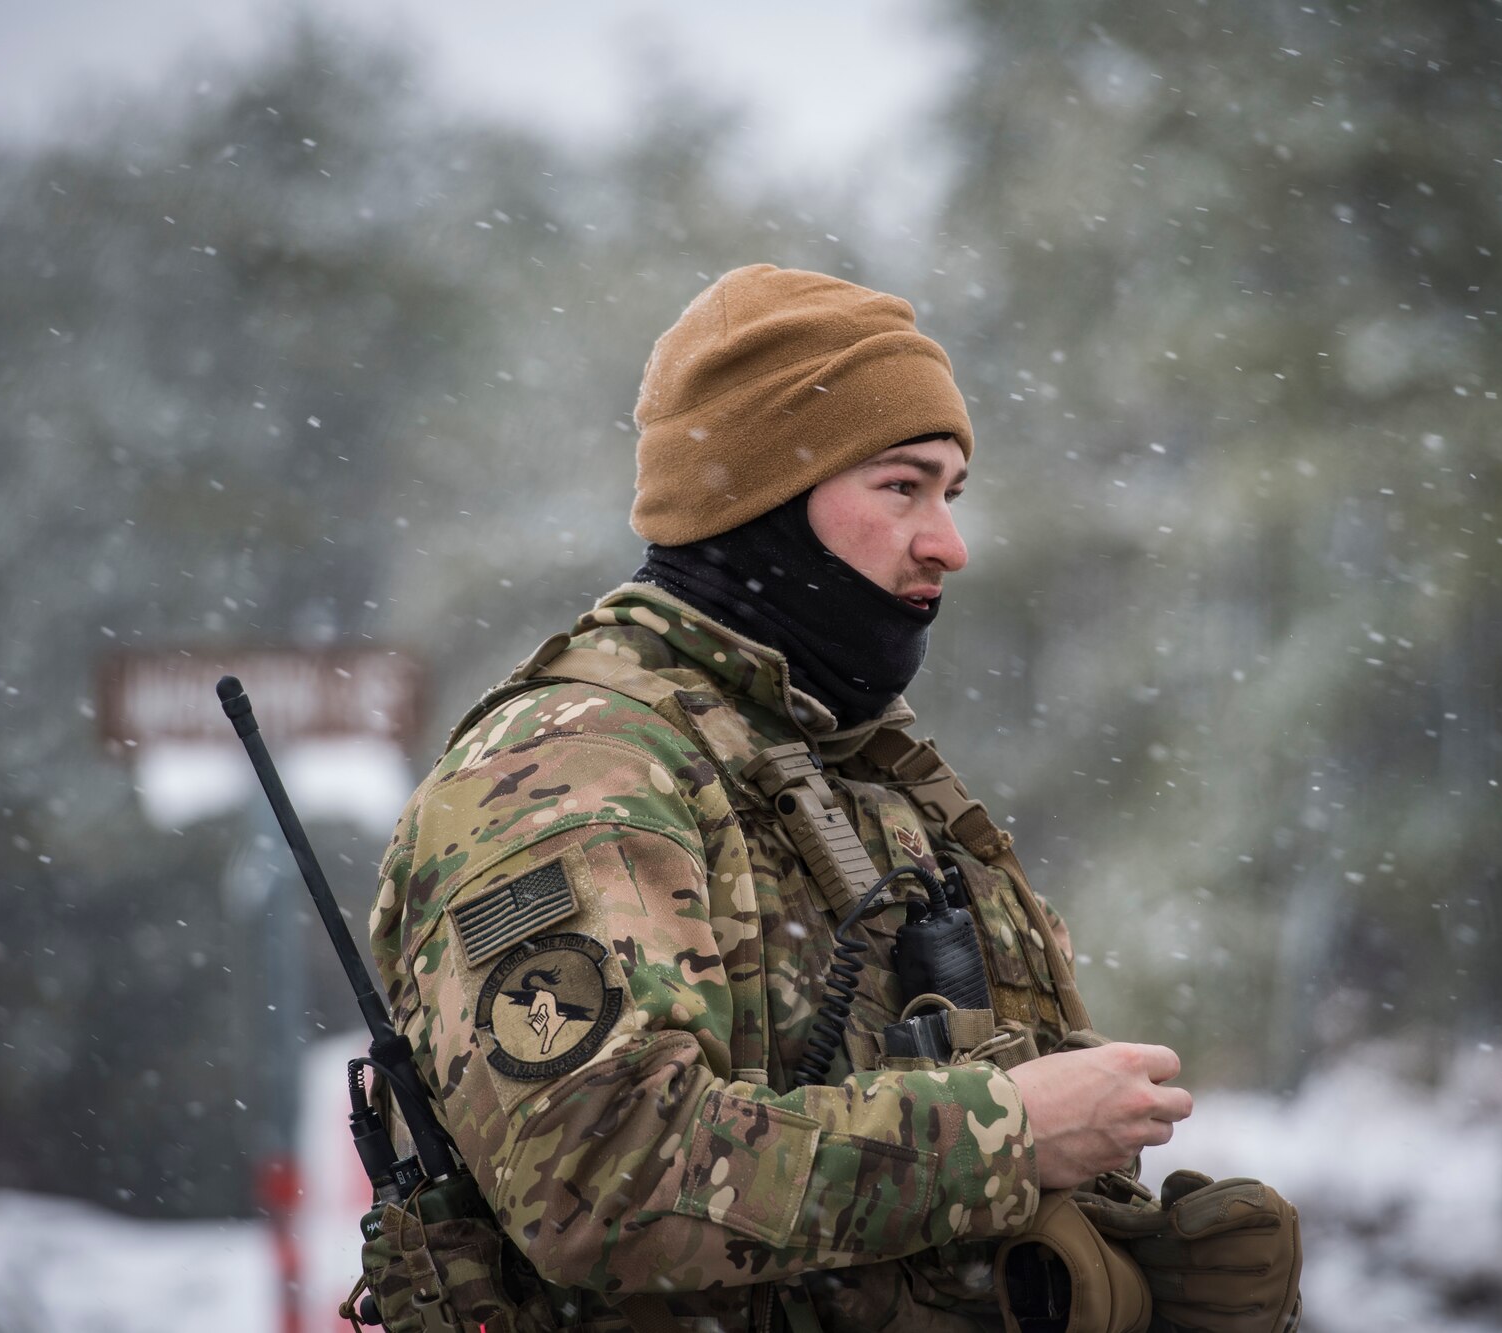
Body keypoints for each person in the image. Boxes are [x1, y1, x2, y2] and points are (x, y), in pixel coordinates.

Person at [370, 265, 1204, 1332]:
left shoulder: (845, 760)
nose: (947, 542)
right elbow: (602, 1184)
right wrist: (1007, 1133)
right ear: (755, 501)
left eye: (951, 492)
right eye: (901, 486)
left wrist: (1130, 1265)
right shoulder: (576, 771)